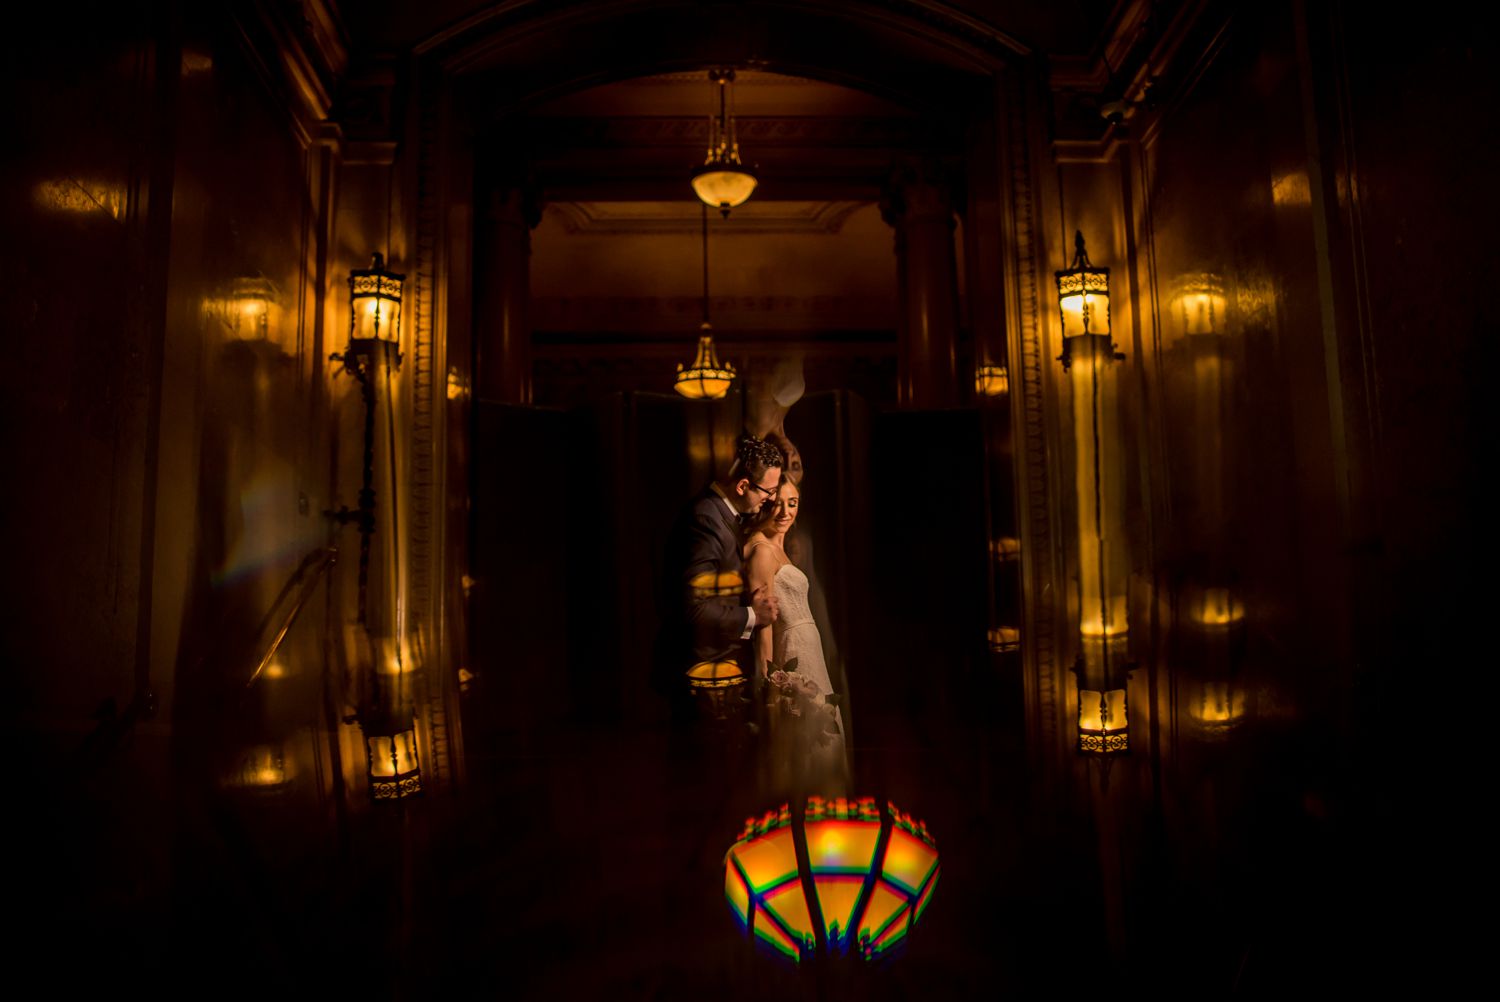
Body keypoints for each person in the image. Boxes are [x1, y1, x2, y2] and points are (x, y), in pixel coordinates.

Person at [653, 436, 784, 710]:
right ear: (743, 485)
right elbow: (694, 609)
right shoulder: (706, 519)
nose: (771, 500)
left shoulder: (721, 513)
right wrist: (752, 615)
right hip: (702, 678)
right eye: (768, 492)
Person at [743, 475, 847, 788]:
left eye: (793, 503)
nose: (786, 511)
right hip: (792, 651)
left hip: (809, 649)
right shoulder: (761, 550)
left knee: (826, 732)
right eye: (778, 503)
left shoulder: (782, 549)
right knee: (804, 737)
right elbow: (765, 623)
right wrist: (769, 684)